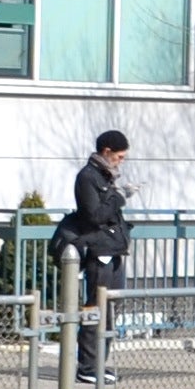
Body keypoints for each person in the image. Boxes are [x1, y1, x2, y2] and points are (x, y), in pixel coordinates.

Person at [66, 128, 133, 376]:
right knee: (95, 308)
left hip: (113, 249)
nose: (121, 162)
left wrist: (116, 195)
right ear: (107, 152)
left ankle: (99, 364)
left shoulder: (105, 177)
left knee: (110, 308)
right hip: (99, 251)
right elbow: (95, 215)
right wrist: (119, 197)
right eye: (120, 157)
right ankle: (88, 366)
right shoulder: (88, 177)